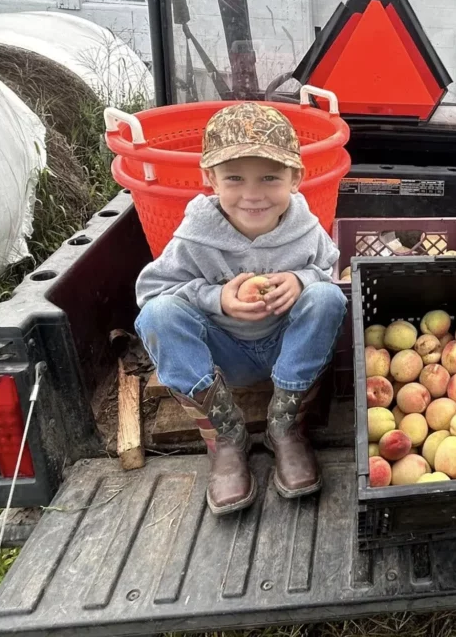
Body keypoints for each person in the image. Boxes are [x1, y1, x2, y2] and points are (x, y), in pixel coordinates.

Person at [135, 102, 347, 515]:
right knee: (158, 316)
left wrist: (302, 280)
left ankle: (284, 427)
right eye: (234, 178)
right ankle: (226, 438)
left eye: (270, 177)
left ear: (296, 178)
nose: (253, 194)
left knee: (327, 298)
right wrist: (217, 299)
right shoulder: (194, 237)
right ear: (209, 179)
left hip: (286, 352)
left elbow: (328, 270)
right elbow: (153, 290)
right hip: (222, 356)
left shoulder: (306, 230)